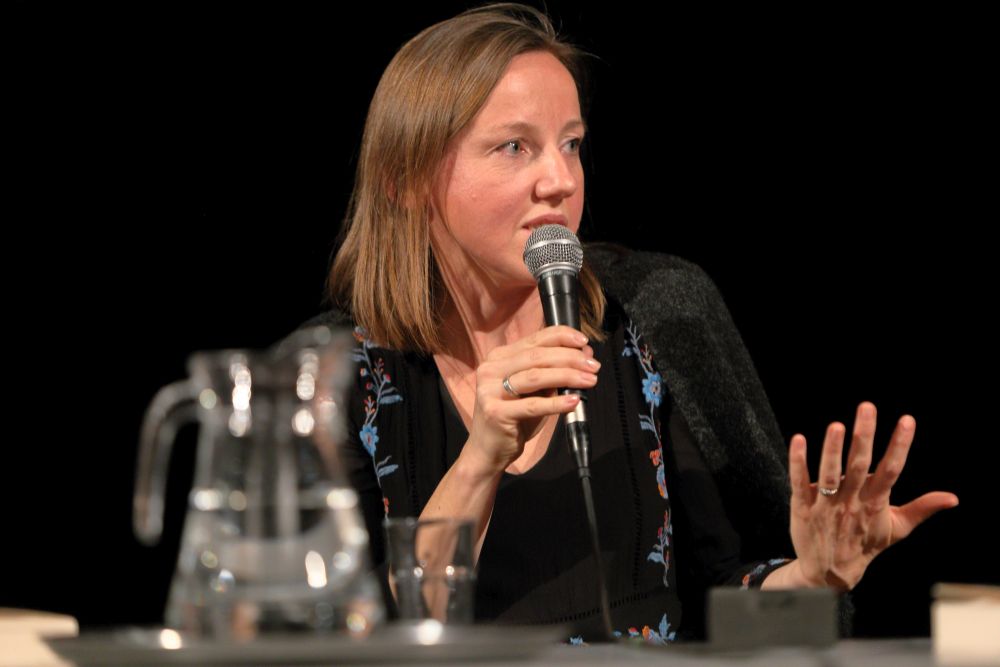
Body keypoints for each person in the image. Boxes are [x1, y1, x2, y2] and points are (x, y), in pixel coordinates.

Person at [306, 2, 959, 642]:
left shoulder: (656, 316)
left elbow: (722, 602)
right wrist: (480, 459)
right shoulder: (328, 378)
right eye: (514, 147)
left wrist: (813, 579)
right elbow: (345, 641)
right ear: (405, 179)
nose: (560, 180)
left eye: (571, 144)